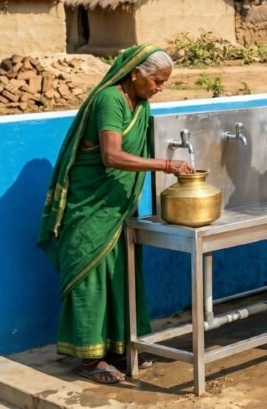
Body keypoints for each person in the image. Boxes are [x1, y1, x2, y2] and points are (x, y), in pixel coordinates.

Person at [37, 45, 192, 385]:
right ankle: (91, 359)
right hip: (92, 204)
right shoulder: (110, 100)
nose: (159, 88)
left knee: (121, 271)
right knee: (90, 273)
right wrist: (167, 166)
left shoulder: (140, 102)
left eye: (164, 82)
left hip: (118, 205)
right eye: (156, 80)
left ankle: (121, 347)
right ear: (136, 72)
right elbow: (111, 155)